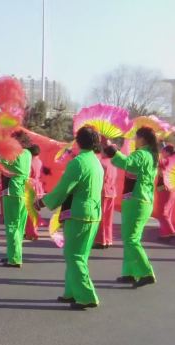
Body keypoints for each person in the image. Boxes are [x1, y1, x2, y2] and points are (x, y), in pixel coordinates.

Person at [38, 126, 103, 309]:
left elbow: (62, 189)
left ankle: (87, 295)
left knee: (73, 256)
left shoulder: (78, 162)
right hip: (92, 213)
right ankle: (71, 292)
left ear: (78, 141)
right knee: (77, 256)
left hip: (79, 214)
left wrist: (42, 202)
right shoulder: (95, 161)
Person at [103, 127, 158, 288]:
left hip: (137, 201)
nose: (134, 139)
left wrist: (110, 148)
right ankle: (130, 273)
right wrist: (111, 148)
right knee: (130, 238)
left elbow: (126, 163)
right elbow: (128, 164)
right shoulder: (150, 155)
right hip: (140, 201)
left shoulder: (142, 154)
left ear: (143, 139)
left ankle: (146, 272)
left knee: (131, 239)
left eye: (136, 136)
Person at [0, 131, 32, 267]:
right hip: (25, 190)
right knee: (20, 226)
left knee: (11, 225)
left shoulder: (13, 154)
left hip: (13, 190)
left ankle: (14, 258)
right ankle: (14, 254)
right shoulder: (28, 154)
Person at [93, 147, 118, 249]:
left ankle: (101, 240)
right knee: (108, 218)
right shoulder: (114, 163)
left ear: (106, 153)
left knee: (101, 217)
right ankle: (108, 239)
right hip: (111, 192)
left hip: (102, 192)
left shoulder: (101, 162)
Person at [156, 144, 175, 240]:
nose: (162, 153)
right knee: (167, 211)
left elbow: (157, 162)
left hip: (165, 189)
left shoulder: (166, 161)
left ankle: (169, 232)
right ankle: (167, 232)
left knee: (162, 212)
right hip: (173, 189)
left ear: (168, 152)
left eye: (163, 151)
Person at [25, 144, 44, 240]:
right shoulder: (39, 161)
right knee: (34, 210)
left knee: (29, 211)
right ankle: (33, 231)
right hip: (38, 186)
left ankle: (31, 233)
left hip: (30, 186)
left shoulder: (29, 162)